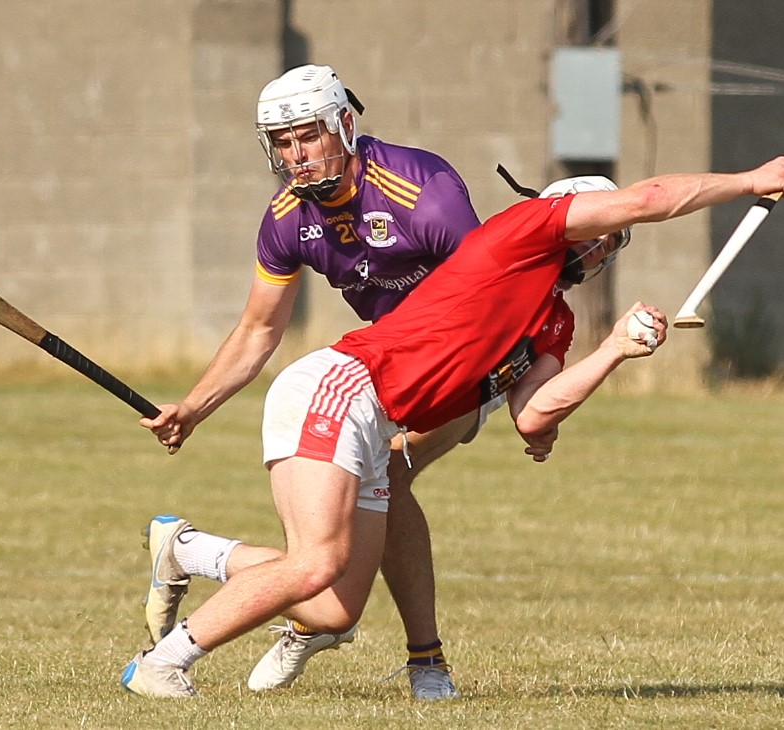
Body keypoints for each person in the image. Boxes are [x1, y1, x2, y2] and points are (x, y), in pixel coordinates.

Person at [120, 150, 784, 698]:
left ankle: (188, 551)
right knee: (317, 561)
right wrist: (754, 178)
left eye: (612, 245)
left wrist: (615, 351)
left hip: (377, 413)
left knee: (332, 609)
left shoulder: (555, 317)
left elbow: (534, 415)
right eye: (602, 233)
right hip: (341, 384)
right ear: (574, 217)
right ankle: (164, 664)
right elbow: (650, 199)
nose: (603, 250)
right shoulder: (525, 230)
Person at [137, 63, 510, 701]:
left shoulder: (424, 191)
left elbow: (487, 292)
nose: (295, 156)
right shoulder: (286, 217)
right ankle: (194, 557)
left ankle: (425, 662)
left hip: (454, 363)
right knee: (332, 596)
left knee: (377, 494)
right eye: (281, 143)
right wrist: (195, 406)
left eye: (307, 137)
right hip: (380, 374)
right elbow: (259, 330)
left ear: (344, 124)